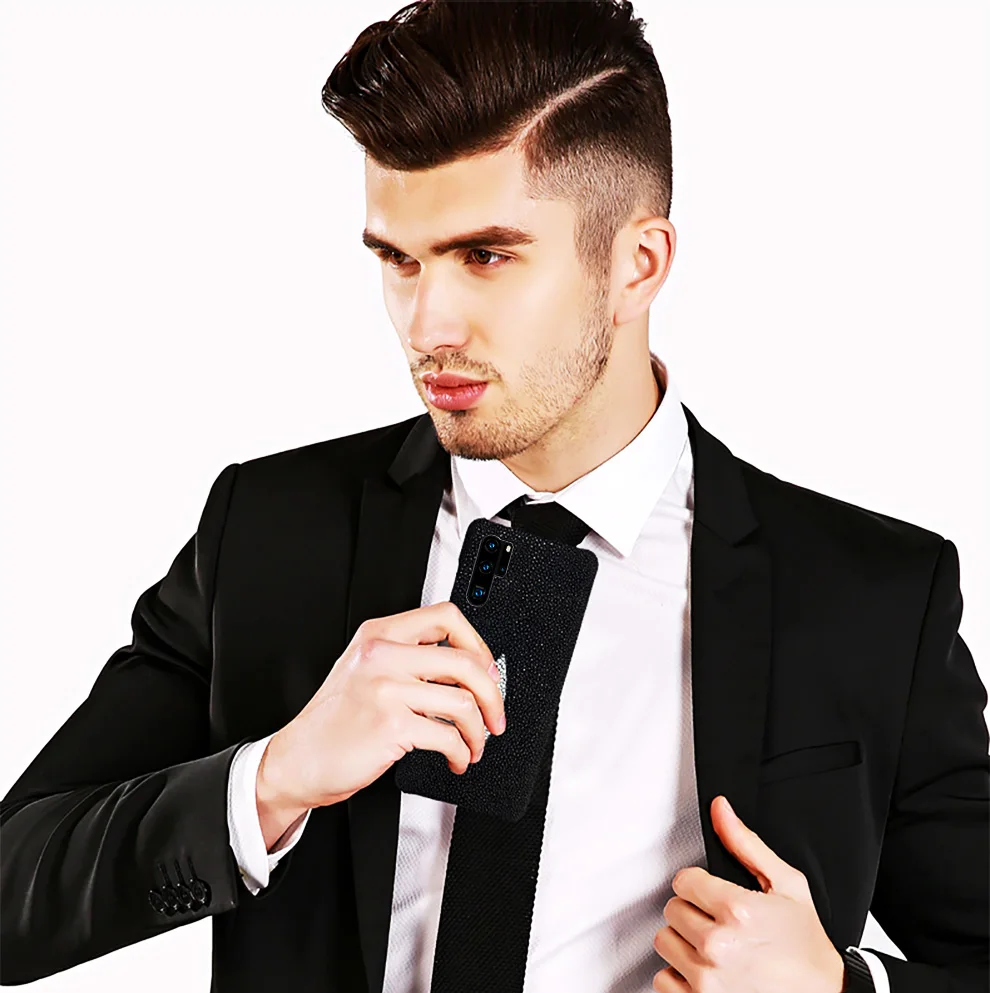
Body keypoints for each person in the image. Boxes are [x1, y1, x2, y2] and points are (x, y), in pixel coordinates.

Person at [2, 1, 987, 991]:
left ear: (637, 264)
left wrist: (842, 985)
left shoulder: (868, 597)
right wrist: (276, 775)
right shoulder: (269, 533)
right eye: (399, 259)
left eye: (486, 256)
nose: (427, 325)